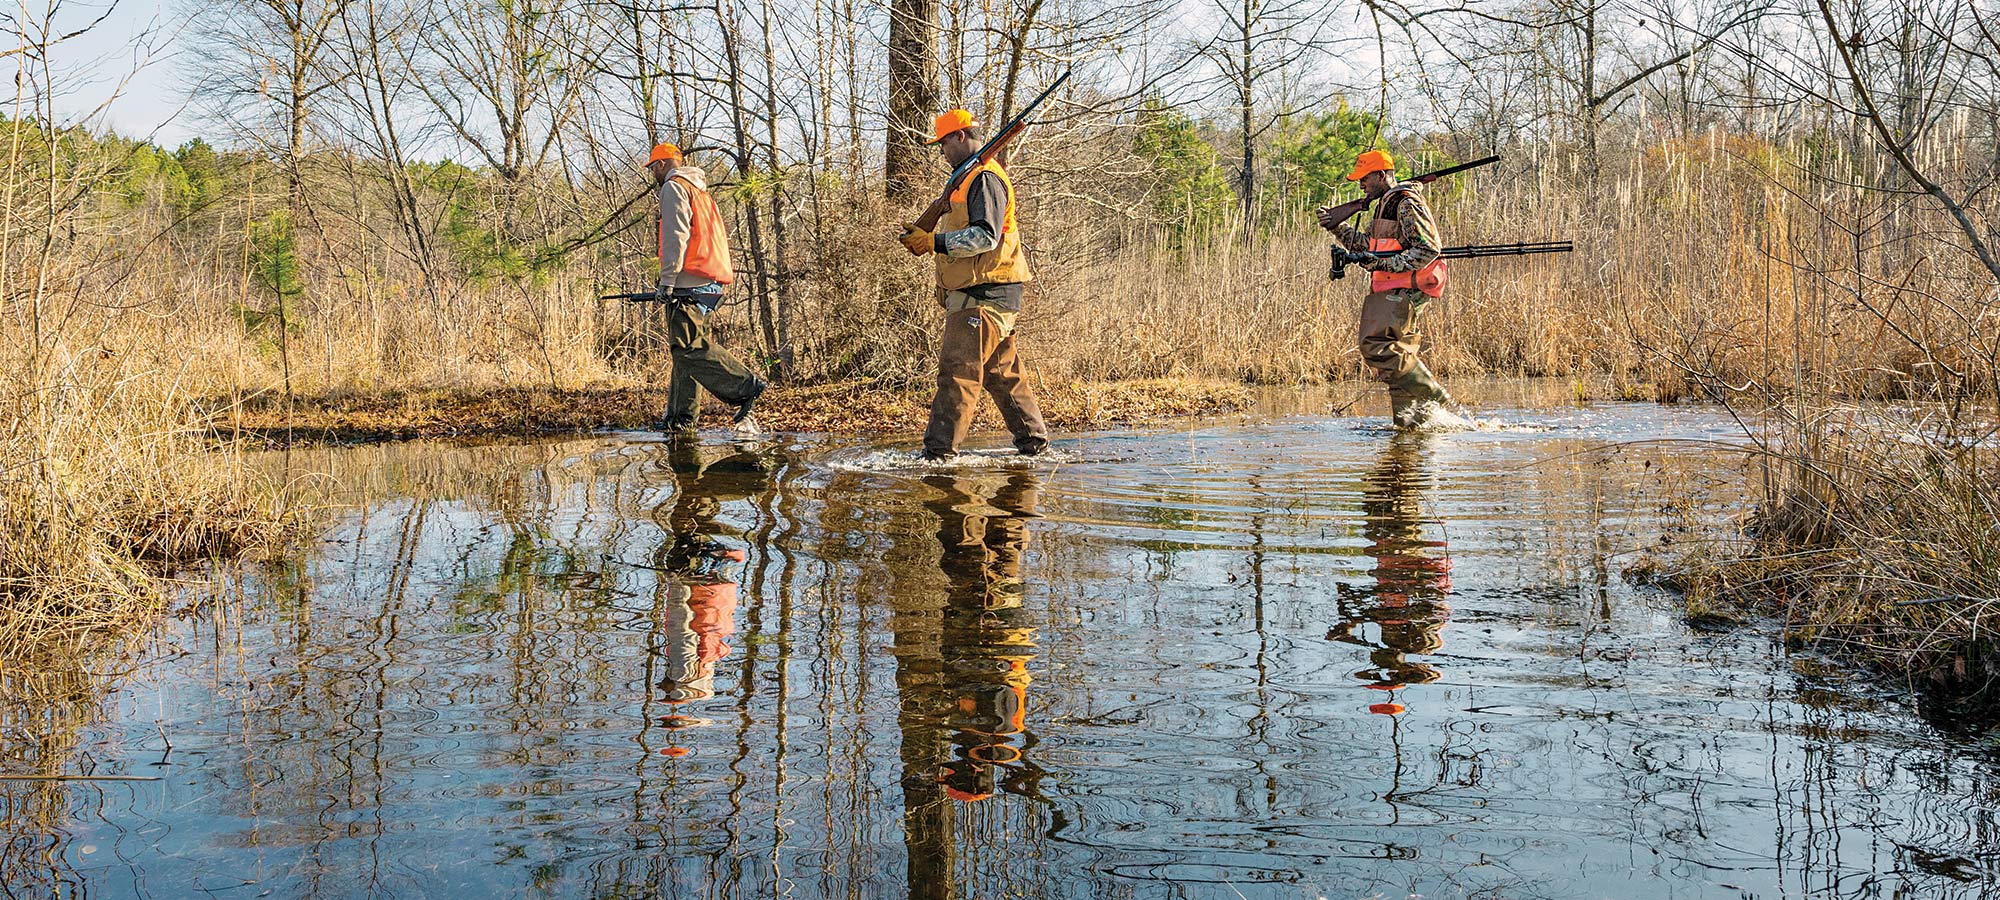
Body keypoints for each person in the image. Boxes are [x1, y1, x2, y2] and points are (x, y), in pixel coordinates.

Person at [897, 109, 1050, 462]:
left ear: (960, 137)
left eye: (944, 143)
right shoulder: (966, 180)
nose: (941, 151)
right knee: (1002, 375)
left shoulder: (984, 179)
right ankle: (1034, 446)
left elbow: (985, 236)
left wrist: (933, 242)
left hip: (983, 295)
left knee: (958, 374)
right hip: (986, 292)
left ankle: (937, 458)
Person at [1316, 149, 1454, 428]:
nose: (1360, 185)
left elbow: (1428, 249)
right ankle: (1415, 426)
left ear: (1380, 175)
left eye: (1364, 179)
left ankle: (1436, 398)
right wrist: (1336, 226)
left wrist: (1385, 265)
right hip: (1391, 289)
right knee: (1397, 358)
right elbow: (1368, 247)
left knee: (1376, 346)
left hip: (1406, 289)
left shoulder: (1405, 202)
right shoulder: (1384, 204)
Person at [646, 142, 765, 433]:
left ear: (661, 165)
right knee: (683, 351)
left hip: (689, 281)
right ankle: (680, 420)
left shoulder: (674, 188)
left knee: (688, 347)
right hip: (709, 282)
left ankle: (744, 386)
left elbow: (677, 236)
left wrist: (668, 281)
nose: (653, 175)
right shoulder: (700, 191)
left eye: (653, 169)